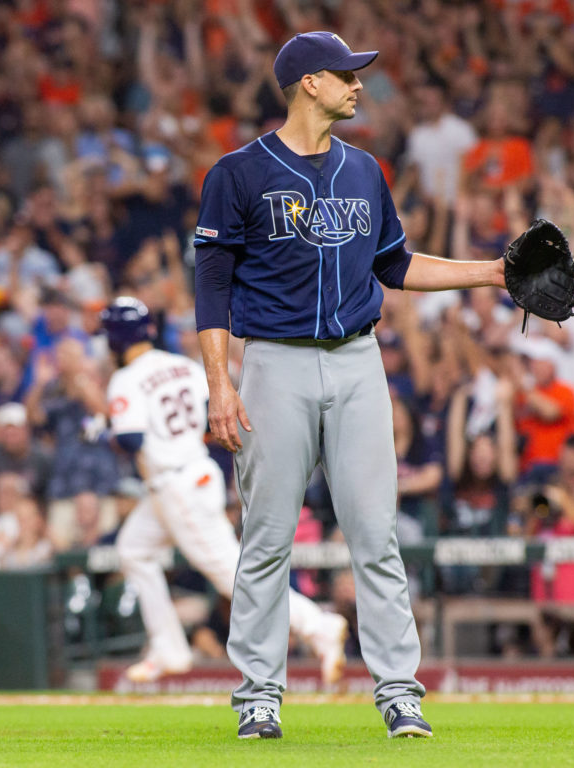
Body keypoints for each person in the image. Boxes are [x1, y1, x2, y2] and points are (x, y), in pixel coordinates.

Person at [193, 32, 508, 740]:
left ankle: (400, 694)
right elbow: (210, 287)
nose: (358, 84)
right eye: (345, 74)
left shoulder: (365, 170)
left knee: (376, 534)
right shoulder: (239, 173)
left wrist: (490, 273)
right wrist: (221, 385)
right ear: (308, 83)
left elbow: (395, 265)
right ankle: (259, 698)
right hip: (274, 362)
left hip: (359, 359)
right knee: (269, 538)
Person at [101, 297, 348, 687]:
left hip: (177, 485)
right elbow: (206, 413)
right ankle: (168, 648)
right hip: (191, 475)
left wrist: (103, 430)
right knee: (134, 548)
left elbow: (130, 439)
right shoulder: (181, 365)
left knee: (231, 576)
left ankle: (317, 625)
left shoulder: (126, 378)